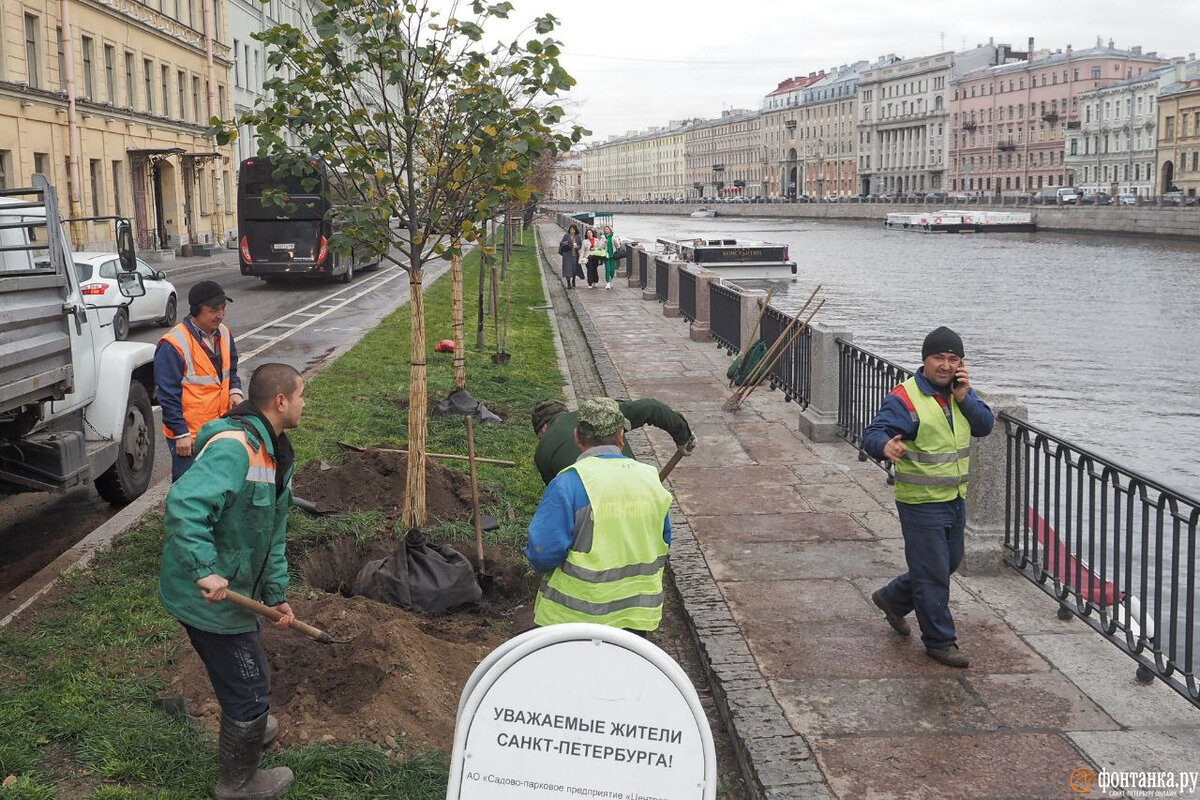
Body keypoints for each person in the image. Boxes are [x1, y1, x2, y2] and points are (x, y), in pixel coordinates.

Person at [159, 362, 304, 800]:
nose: (304, 404)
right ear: (280, 401)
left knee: (245, 673)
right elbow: (184, 505)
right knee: (250, 687)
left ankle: (249, 727)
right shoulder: (236, 449)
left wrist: (276, 595)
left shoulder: (274, 452)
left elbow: (272, 532)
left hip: (238, 591)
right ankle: (237, 784)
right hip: (209, 596)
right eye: (301, 395)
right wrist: (204, 570)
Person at [862, 326, 995, 668]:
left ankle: (892, 598)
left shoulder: (960, 394)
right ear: (925, 360)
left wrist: (966, 397)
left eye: (953, 359)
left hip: (954, 497)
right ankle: (939, 641)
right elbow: (874, 432)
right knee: (934, 573)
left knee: (946, 563)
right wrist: (885, 445)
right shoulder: (905, 398)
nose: (946, 365)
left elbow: (984, 426)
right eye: (939, 358)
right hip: (920, 502)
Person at [526, 397, 674, 632]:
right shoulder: (650, 480)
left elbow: (542, 553)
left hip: (575, 618)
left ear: (576, 437)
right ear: (621, 437)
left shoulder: (567, 483)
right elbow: (664, 539)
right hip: (636, 616)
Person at [155, 280, 243, 481]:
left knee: (217, 485)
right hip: (191, 437)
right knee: (189, 491)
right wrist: (180, 434)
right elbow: (168, 395)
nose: (220, 315)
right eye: (213, 310)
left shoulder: (224, 333)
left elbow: (232, 371)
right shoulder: (173, 344)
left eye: (223, 309)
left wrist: (234, 391)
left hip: (220, 428)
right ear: (196, 311)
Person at [531, 397, 694, 486]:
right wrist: (683, 436)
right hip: (637, 488)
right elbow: (653, 407)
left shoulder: (542, 452)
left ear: (544, 426)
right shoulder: (603, 414)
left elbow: (558, 496)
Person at [602, 224, 623, 290]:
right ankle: (608, 282)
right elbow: (600, 247)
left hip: (613, 255)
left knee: (612, 270)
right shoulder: (603, 237)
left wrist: (615, 242)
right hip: (606, 255)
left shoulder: (614, 237)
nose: (606, 230)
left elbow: (618, 247)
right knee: (607, 269)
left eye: (607, 229)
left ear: (610, 230)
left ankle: (611, 279)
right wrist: (604, 243)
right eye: (605, 229)